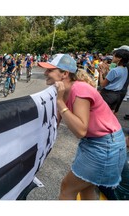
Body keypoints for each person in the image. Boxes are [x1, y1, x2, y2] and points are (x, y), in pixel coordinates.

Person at [38, 53, 126, 200]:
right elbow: (55, 123)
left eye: (50, 70)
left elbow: (80, 130)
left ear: (64, 74)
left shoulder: (79, 89)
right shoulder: (62, 90)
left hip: (105, 145)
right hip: (96, 142)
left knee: (67, 188)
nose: (45, 73)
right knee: (86, 190)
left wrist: (59, 103)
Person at [98, 48, 129, 113]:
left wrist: (100, 73)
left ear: (119, 58)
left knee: (101, 113)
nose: (112, 57)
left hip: (108, 94)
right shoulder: (125, 69)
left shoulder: (114, 70)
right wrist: (106, 72)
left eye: (114, 56)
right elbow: (113, 79)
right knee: (110, 114)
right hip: (117, 95)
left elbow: (102, 84)